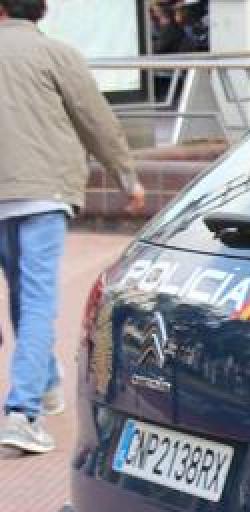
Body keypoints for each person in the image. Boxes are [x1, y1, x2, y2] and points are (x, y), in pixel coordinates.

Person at [0, 0, 145, 454]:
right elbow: (95, 119)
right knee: (36, 299)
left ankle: (44, 383)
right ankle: (22, 414)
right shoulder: (57, 54)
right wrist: (126, 176)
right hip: (44, 192)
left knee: (22, 294)